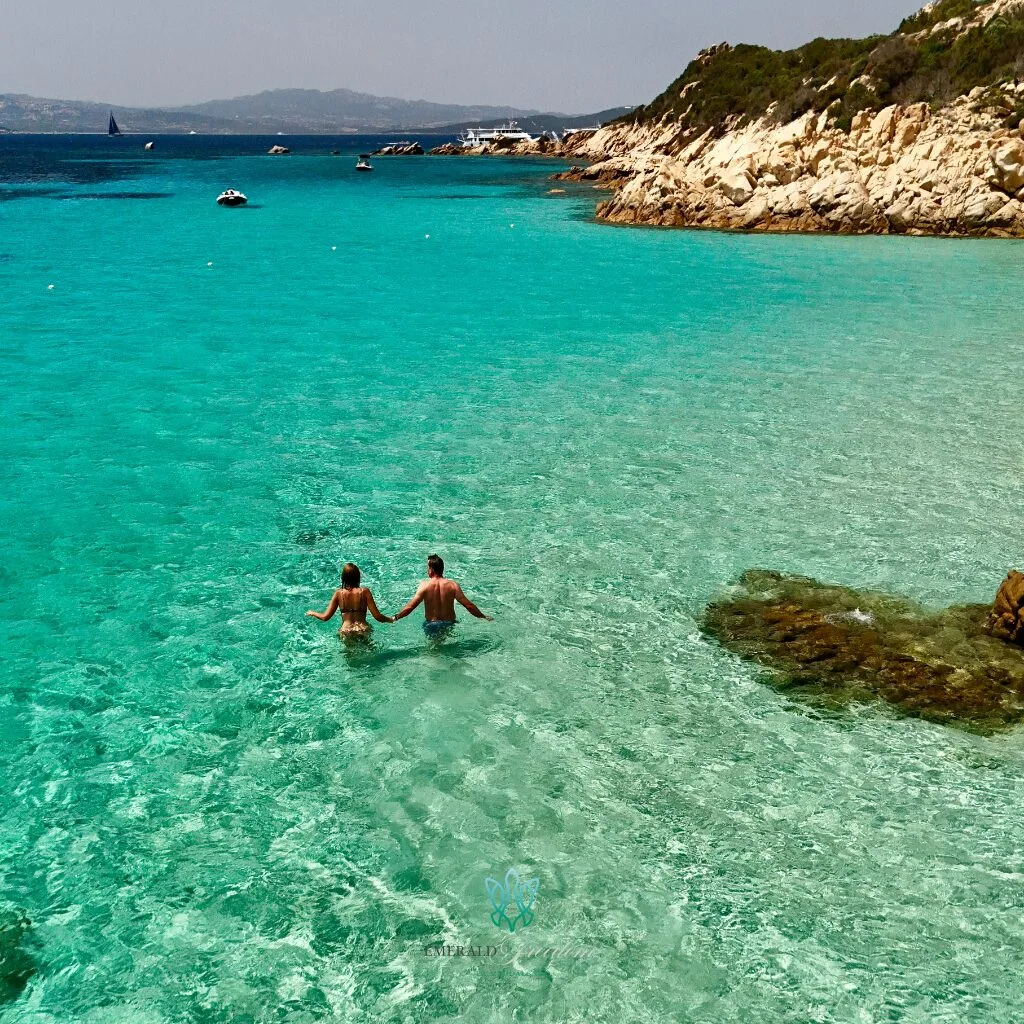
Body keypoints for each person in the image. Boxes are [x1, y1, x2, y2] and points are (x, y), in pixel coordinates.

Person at [392, 554, 492, 636]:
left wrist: (396, 617)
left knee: (434, 651)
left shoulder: (424, 585)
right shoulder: (453, 585)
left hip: (431, 625)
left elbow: (410, 607)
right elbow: (468, 605)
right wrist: (483, 616)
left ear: (431, 569)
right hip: (449, 623)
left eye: (427, 567)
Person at [306, 562, 393, 638]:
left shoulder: (338, 593)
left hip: (346, 630)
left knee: (349, 656)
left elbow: (325, 617)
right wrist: (390, 619)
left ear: (343, 577)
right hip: (362, 628)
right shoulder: (365, 591)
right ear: (357, 577)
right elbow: (377, 616)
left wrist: (312, 613)